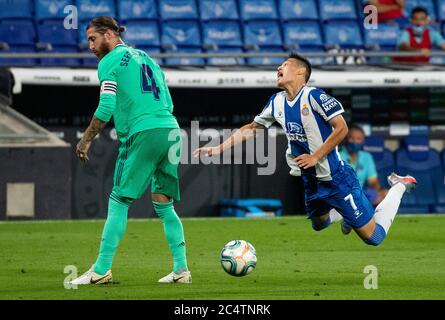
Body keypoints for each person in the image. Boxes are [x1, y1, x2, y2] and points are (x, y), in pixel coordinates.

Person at [194, 53, 417, 246]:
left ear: (301, 73)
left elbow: (342, 128)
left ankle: (399, 186)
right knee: (318, 224)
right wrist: (218, 148)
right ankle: (344, 214)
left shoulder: (315, 96)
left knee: (373, 238)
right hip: (311, 179)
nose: (278, 68)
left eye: (285, 65)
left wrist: (316, 155)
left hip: (336, 178)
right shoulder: (276, 102)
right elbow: (252, 128)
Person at [70, 16, 191, 285]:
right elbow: (168, 101)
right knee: (164, 204)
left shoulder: (108, 62)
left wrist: (86, 139)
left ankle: (101, 270)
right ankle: (181, 269)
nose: (90, 46)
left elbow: (106, 107)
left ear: (110, 35)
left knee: (119, 200)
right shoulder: (147, 58)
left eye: (93, 38)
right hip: (170, 130)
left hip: (143, 132)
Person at [339, 124, 388, 206]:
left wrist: (375, 189)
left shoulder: (367, 157)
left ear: (363, 141)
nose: (355, 141)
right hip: (343, 195)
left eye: (358, 139)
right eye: (351, 138)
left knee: (386, 194)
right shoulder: (338, 155)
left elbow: (373, 181)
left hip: (361, 194)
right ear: (346, 139)